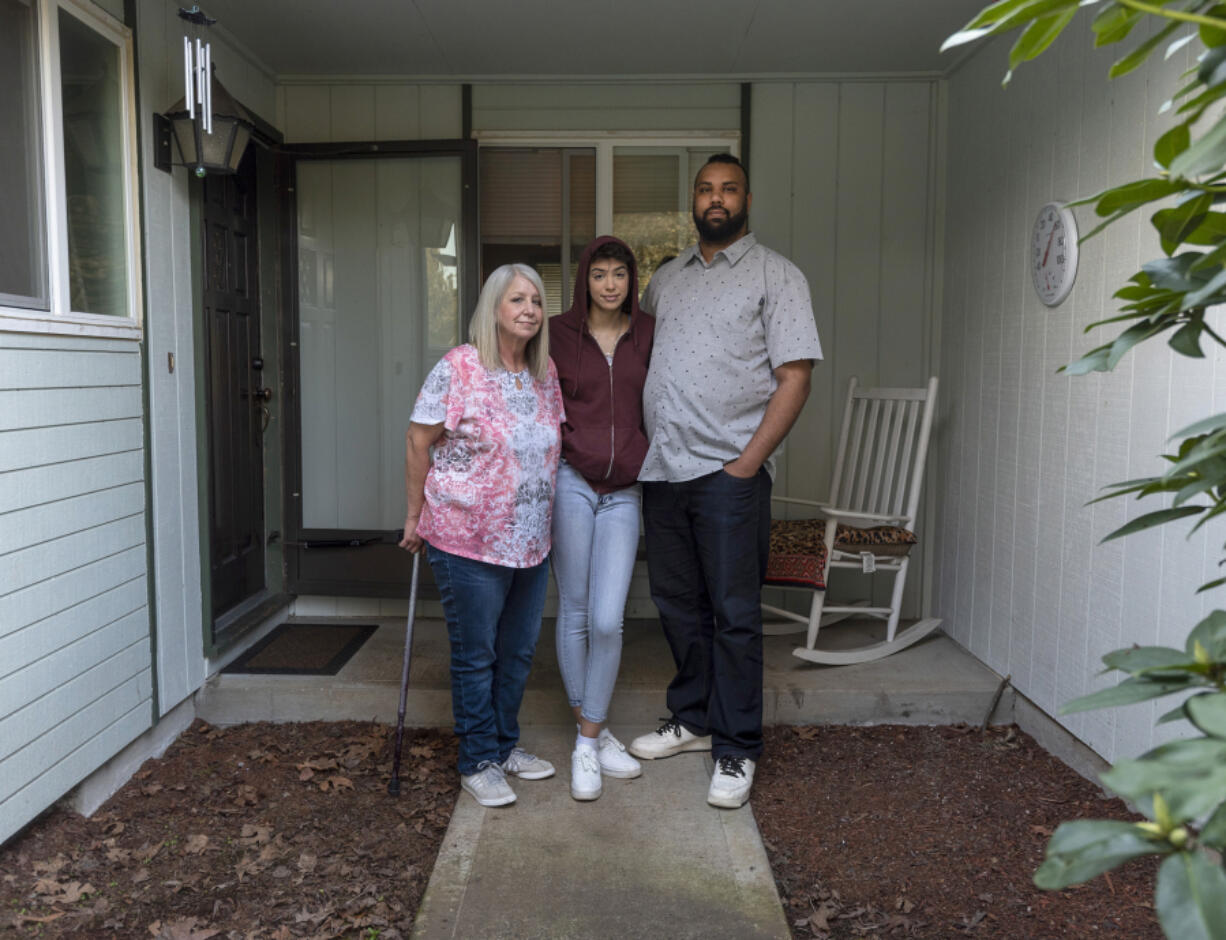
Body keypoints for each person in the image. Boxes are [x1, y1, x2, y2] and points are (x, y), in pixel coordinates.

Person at [628, 153, 823, 809]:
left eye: (728, 189)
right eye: (705, 190)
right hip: (664, 471)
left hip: (727, 476)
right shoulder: (667, 280)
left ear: (746, 198)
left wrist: (746, 464)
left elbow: (795, 377)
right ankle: (692, 718)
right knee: (678, 606)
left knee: (734, 616)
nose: (716, 199)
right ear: (693, 200)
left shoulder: (779, 276)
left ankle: (736, 749)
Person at [398, 264, 565, 808]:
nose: (529, 310)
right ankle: (477, 760)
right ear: (493, 307)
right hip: (466, 538)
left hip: (530, 541)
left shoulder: (545, 373)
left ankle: (504, 745)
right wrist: (412, 517)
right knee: (477, 655)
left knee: (517, 654)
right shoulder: (459, 367)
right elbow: (418, 442)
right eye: (517, 299)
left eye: (536, 301)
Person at [548, 236, 654, 801]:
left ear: (630, 280)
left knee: (610, 620)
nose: (610, 284)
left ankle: (594, 730)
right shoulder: (559, 337)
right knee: (578, 611)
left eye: (619, 274)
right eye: (599, 274)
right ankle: (589, 741)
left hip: (626, 489)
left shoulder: (649, 333)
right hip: (572, 479)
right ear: (584, 280)